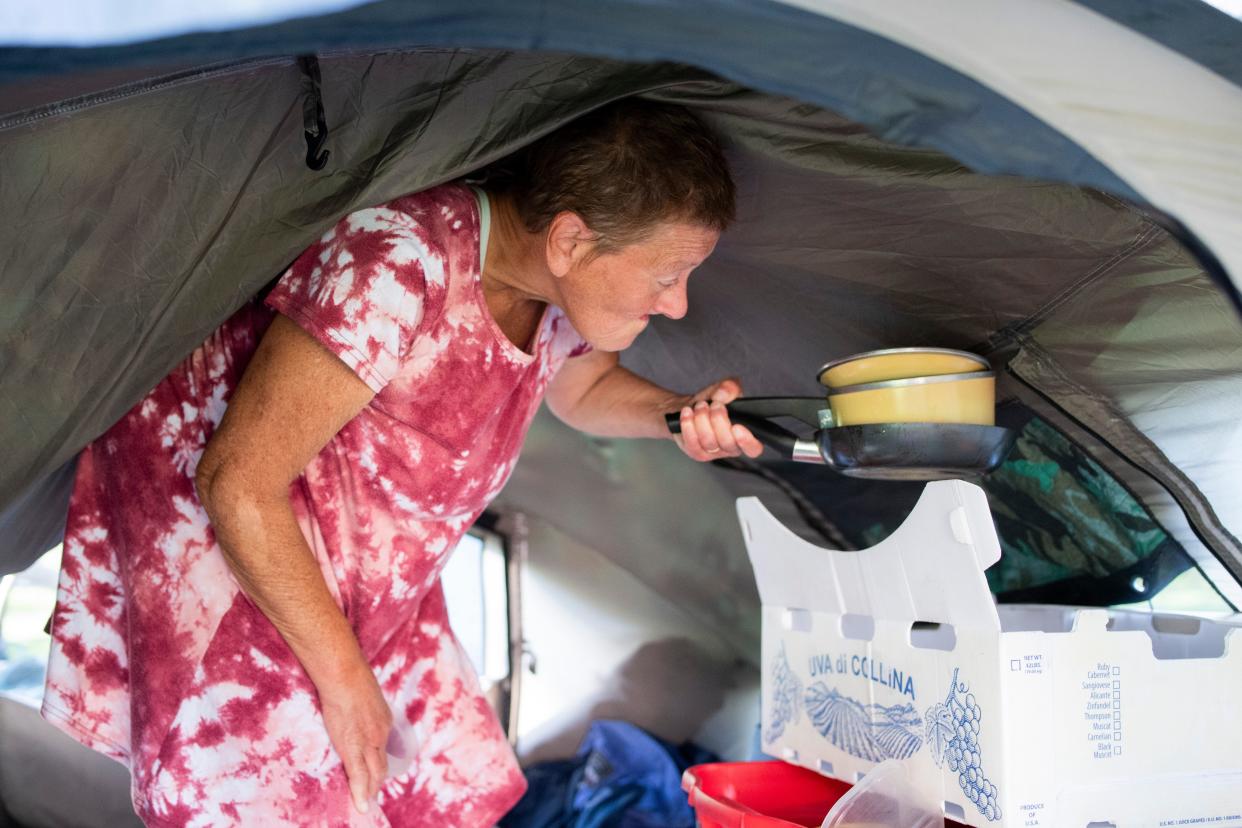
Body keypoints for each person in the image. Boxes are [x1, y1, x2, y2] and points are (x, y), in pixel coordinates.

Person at [42, 98, 762, 827]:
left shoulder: (552, 300)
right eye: (669, 274)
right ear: (571, 240)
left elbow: (587, 389)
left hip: (381, 601)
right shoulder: (400, 262)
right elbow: (237, 482)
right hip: (253, 598)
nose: (677, 305)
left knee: (451, 800)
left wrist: (681, 417)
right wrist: (345, 679)